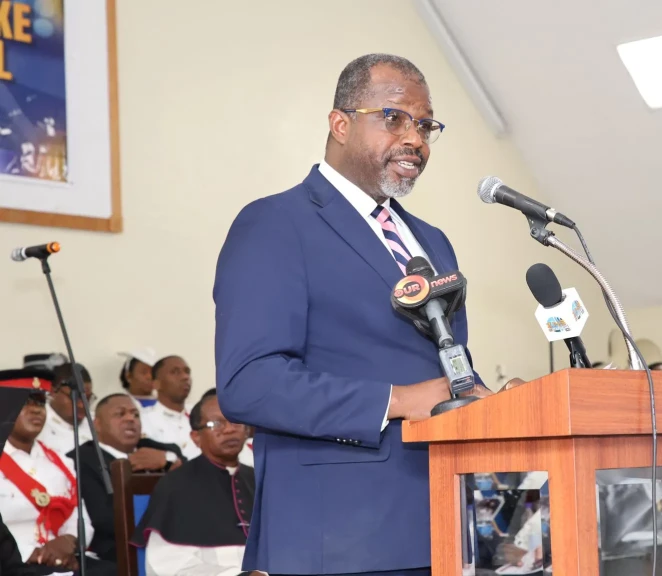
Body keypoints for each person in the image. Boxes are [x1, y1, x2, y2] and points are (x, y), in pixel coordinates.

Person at [213, 53, 518, 576]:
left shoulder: (432, 240)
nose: (415, 139)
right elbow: (249, 383)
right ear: (340, 123)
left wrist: (493, 401)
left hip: (445, 524)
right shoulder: (276, 223)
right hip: (337, 538)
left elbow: (445, 370)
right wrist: (398, 400)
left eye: (425, 125)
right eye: (394, 118)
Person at [132, 390, 253, 575]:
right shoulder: (175, 485)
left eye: (235, 421)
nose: (229, 429)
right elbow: (168, 565)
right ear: (196, 437)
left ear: (247, 430)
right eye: (216, 424)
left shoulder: (259, 480)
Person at [0, 384, 105, 573]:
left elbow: (80, 515)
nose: (36, 410)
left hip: (65, 558)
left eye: (40, 403)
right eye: (25, 403)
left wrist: (68, 542)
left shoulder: (62, 461)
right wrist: (30, 552)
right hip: (14, 562)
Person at [69, 394, 183, 563]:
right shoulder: (81, 460)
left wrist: (167, 461)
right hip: (117, 554)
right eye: (120, 414)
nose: (130, 419)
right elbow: (103, 519)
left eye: (135, 414)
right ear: (96, 425)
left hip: (174, 543)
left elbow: (195, 476)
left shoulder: (156, 449)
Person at [140, 356, 199, 459]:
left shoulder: (200, 415)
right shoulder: (143, 419)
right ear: (156, 384)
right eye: (175, 372)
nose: (185, 377)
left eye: (187, 372)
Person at [37, 363, 93, 456]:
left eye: (88, 398)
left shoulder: (97, 423)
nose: (82, 405)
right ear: (53, 391)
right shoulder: (37, 424)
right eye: (75, 397)